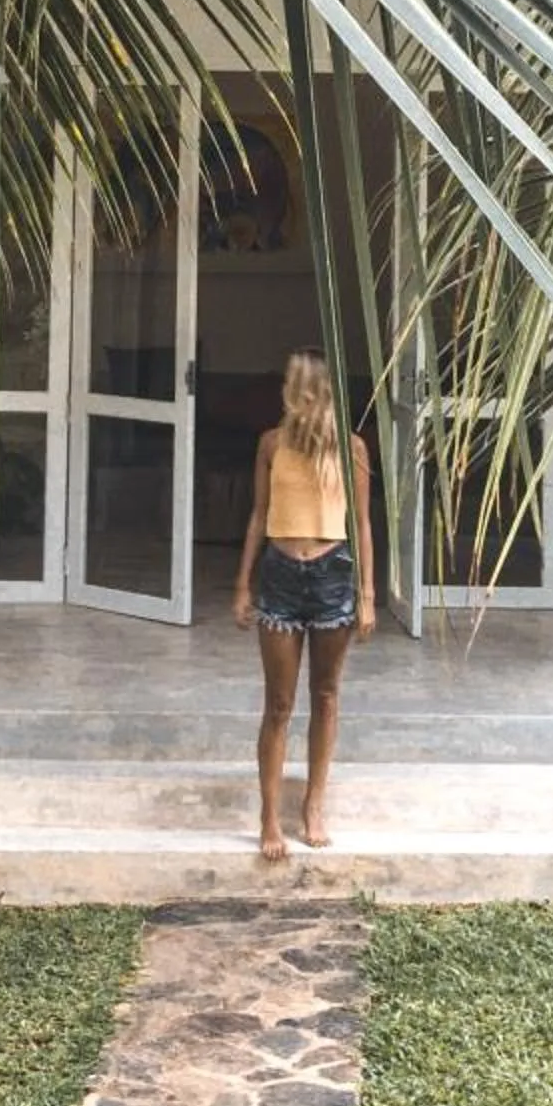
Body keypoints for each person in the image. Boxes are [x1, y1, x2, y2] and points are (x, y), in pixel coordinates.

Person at [233, 348, 375, 860]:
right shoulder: (271, 444)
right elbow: (258, 514)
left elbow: (361, 524)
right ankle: (269, 817)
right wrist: (243, 584)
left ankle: (315, 804)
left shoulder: (352, 448)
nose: (294, 394)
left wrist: (367, 594)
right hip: (281, 572)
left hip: (333, 573)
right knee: (278, 704)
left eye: (298, 384)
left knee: (327, 695)